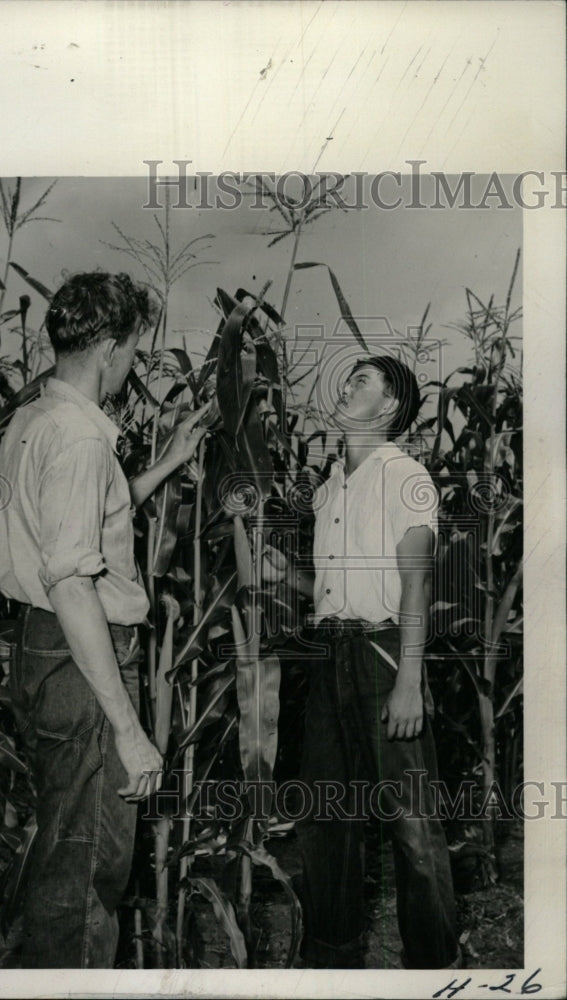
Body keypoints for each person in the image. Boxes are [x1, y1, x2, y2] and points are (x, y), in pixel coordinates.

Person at [0, 270, 207, 968]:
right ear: (110, 348)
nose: (132, 366)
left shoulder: (34, 420)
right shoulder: (82, 441)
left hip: (41, 649)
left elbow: (78, 522)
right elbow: (74, 584)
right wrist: (129, 729)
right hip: (82, 655)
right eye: (132, 352)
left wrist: (165, 465)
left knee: (62, 839)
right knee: (88, 868)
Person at [295, 354, 460, 969]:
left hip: (384, 653)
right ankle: (332, 962)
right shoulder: (329, 487)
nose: (344, 386)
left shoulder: (405, 476)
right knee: (326, 820)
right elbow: (332, 590)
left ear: (389, 405)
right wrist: (279, 573)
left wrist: (409, 682)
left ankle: (432, 969)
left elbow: (414, 583)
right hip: (329, 657)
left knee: (412, 826)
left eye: (360, 380)